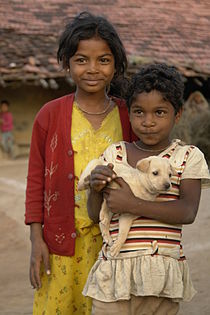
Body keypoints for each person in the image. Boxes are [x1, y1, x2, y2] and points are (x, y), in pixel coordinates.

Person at [25, 11, 136, 315]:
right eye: (81, 59)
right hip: (60, 247)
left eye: (103, 60)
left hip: (114, 248)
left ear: (116, 66)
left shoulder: (128, 116)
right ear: (67, 63)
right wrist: (36, 240)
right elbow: (36, 180)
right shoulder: (49, 115)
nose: (92, 69)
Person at [83, 63, 210, 315]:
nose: (148, 121)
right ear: (129, 114)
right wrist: (96, 189)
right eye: (139, 112)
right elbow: (94, 213)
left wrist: (133, 205)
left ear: (178, 115)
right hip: (114, 273)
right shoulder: (115, 154)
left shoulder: (187, 157)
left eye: (160, 112)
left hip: (160, 277)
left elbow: (187, 211)